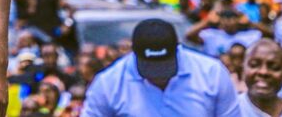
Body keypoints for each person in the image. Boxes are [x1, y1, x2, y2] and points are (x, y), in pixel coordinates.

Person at [85, 18, 241, 116]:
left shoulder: (212, 74)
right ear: (134, 54)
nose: (158, 76)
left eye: (164, 66)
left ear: (177, 50)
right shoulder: (108, 83)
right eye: (151, 68)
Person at [236, 40, 282, 117]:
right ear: (243, 70)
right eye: (254, 65)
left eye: (274, 67)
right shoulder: (231, 109)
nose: (263, 72)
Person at [187, 6, 264, 57]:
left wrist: (250, 22)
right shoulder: (210, 35)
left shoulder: (248, 36)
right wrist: (207, 22)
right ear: (220, 20)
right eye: (224, 18)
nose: (228, 22)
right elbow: (189, 36)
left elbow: (268, 35)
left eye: (231, 18)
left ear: (238, 20)